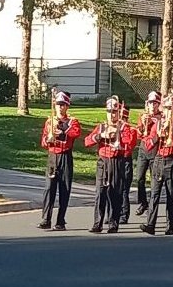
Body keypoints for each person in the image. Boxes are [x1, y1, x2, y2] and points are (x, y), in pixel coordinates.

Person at [140, 94, 173, 236]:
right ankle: (150, 224)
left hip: (172, 160)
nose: (168, 112)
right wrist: (157, 136)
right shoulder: (157, 124)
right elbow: (147, 144)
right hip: (159, 159)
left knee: (171, 194)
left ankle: (170, 225)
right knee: (154, 194)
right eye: (166, 109)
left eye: (171, 109)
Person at [85, 96, 129, 233]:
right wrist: (100, 136)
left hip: (116, 161)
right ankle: (97, 223)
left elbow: (129, 142)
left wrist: (118, 137)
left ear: (118, 112)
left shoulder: (124, 127)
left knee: (115, 192)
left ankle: (113, 223)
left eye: (114, 112)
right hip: (103, 161)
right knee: (100, 192)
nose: (111, 114)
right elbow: (87, 141)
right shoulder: (101, 127)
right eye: (109, 111)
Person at [39, 90, 81, 230]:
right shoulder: (49, 121)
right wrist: (48, 138)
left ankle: (60, 220)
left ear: (67, 106)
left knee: (65, 189)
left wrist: (62, 129)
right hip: (52, 156)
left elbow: (75, 133)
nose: (60, 107)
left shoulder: (72, 121)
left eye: (63, 104)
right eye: (58, 104)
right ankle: (46, 218)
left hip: (65, 156)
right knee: (49, 188)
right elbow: (43, 143)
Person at [135, 91, 162, 217]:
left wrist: (153, 121)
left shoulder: (161, 118)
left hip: (155, 150)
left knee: (153, 180)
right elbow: (139, 134)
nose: (152, 106)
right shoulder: (142, 116)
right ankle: (143, 202)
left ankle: (151, 205)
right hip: (143, 149)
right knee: (139, 177)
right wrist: (142, 126)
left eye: (155, 103)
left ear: (158, 104)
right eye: (150, 103)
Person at [117, 103, 139, 225]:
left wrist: (121, 131)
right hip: (115, 160)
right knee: (114, 188)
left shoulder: (131, 130)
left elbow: (129, 144)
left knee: (124, 189)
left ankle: (124, 215)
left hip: (125, 160)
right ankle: (114, 213)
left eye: (122, 119)